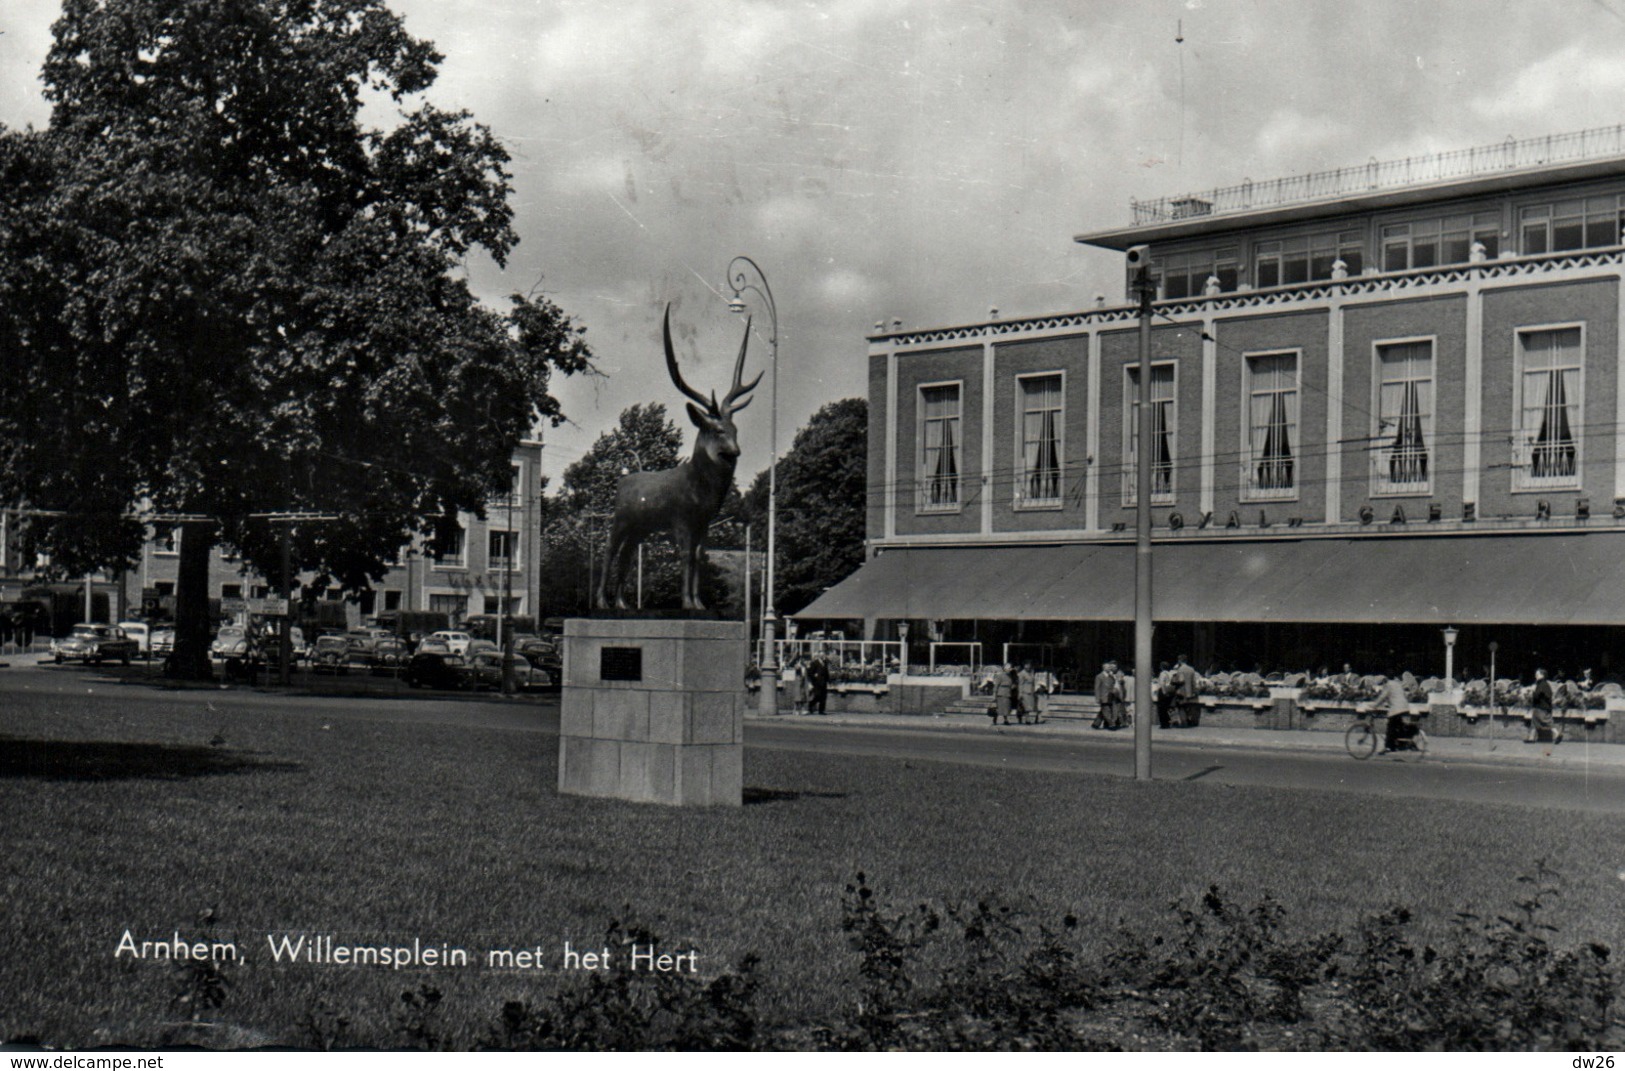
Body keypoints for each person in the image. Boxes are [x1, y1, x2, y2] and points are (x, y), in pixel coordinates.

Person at [1370, 673, 1415, 753]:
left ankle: (1388, 747)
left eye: (1381, 684)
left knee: (1390, 726)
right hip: (1404, 706)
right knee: (1399, 726)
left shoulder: (1388, 685)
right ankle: (1405, 743)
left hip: (1397, 708)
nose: (1382, 686)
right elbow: (1397, 695)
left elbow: (1382, 697)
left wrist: (1374, 705)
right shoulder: (1396, 683)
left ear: (1383, 682)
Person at [1527, 668, 1561, 744]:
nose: (1535, 676)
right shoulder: (1545, 684)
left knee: (1545, 722)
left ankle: (1557, 734)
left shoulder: (1541, 684)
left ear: (1542, 675)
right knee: (1537, 722)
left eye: (1537, 674)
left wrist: (1532, 690)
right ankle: (1531, 738)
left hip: (1540, 707)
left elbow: (1537, 696)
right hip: (1545, 707)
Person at [1094, 659, 1121, 730]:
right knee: (1106, 711)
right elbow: (1097, 688)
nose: (1110, 668)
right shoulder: (1099, 676)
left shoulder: (1111, 676)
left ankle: (1096, 724)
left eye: (1110, 667)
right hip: (1103, 696)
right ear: (1104, 668)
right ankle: (1112, 724)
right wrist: (1097, 698)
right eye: (1108, 667)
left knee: (1104, 710)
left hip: (1111, 696)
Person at [1175, 654, 1200, 728]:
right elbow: (1193, 682)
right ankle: (1189, 721)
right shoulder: (1191, 669)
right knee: (1187, 707)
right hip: (1189, 691)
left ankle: (1184, 722)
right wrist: (1195, 691)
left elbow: (1179, 681)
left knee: (1181, 707)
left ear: (1180, 660)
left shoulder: (1180, 670)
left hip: (1181, 691)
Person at [1155, 660, 1174, 729]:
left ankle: (1164, 724)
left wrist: (1163, 691)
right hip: (1168, 689)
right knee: (1165, 708)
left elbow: (1162, 683)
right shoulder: (1169, 673)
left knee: (1161, 708)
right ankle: (1167, 722)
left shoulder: (1162, 673)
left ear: (1162, 667)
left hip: (1162, 691)